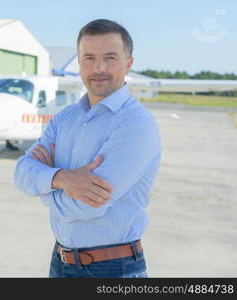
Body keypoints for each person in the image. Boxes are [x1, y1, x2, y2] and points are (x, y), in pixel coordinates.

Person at [14, 19, 162, 278]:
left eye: (110, 58)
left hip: (113, 269)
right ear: (80, 63)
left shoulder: (136, 125)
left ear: (128, 64)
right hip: (60, 262)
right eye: (89, 58)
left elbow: (87, 207)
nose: (99, 68)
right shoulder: (65, 117)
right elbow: (21, 173)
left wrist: (44, 183)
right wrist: (61, 179)